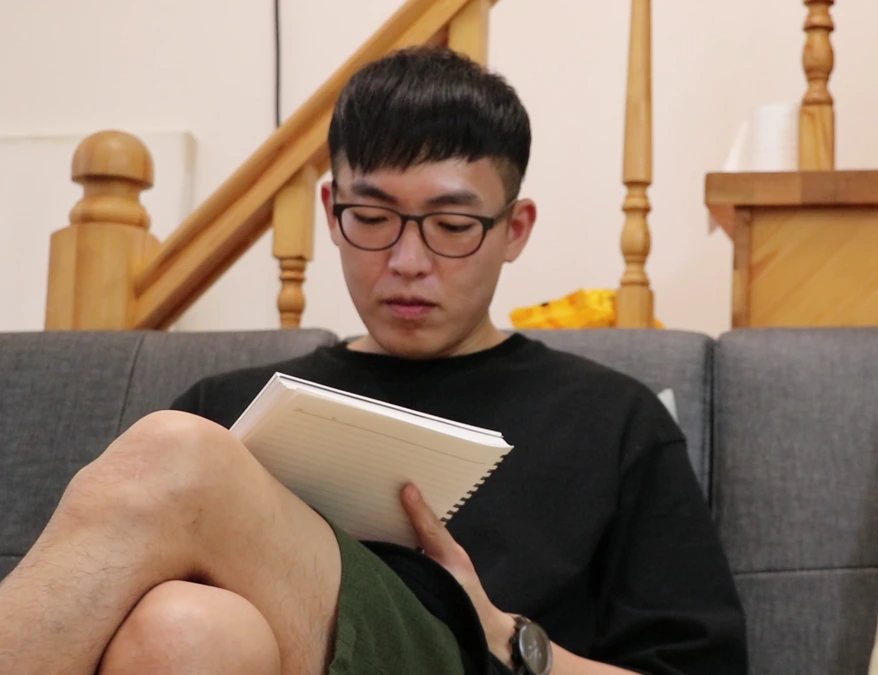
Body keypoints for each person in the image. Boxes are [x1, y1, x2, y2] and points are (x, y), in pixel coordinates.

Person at [0, 46, 747, 675]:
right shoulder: (228, 404)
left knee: (175, 452)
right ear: (331, 211)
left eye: (452, 224)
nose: (408, 260)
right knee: (183, 628)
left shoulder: (612, 419)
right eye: (372, 216)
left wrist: (507, 637)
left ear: (515, 229)